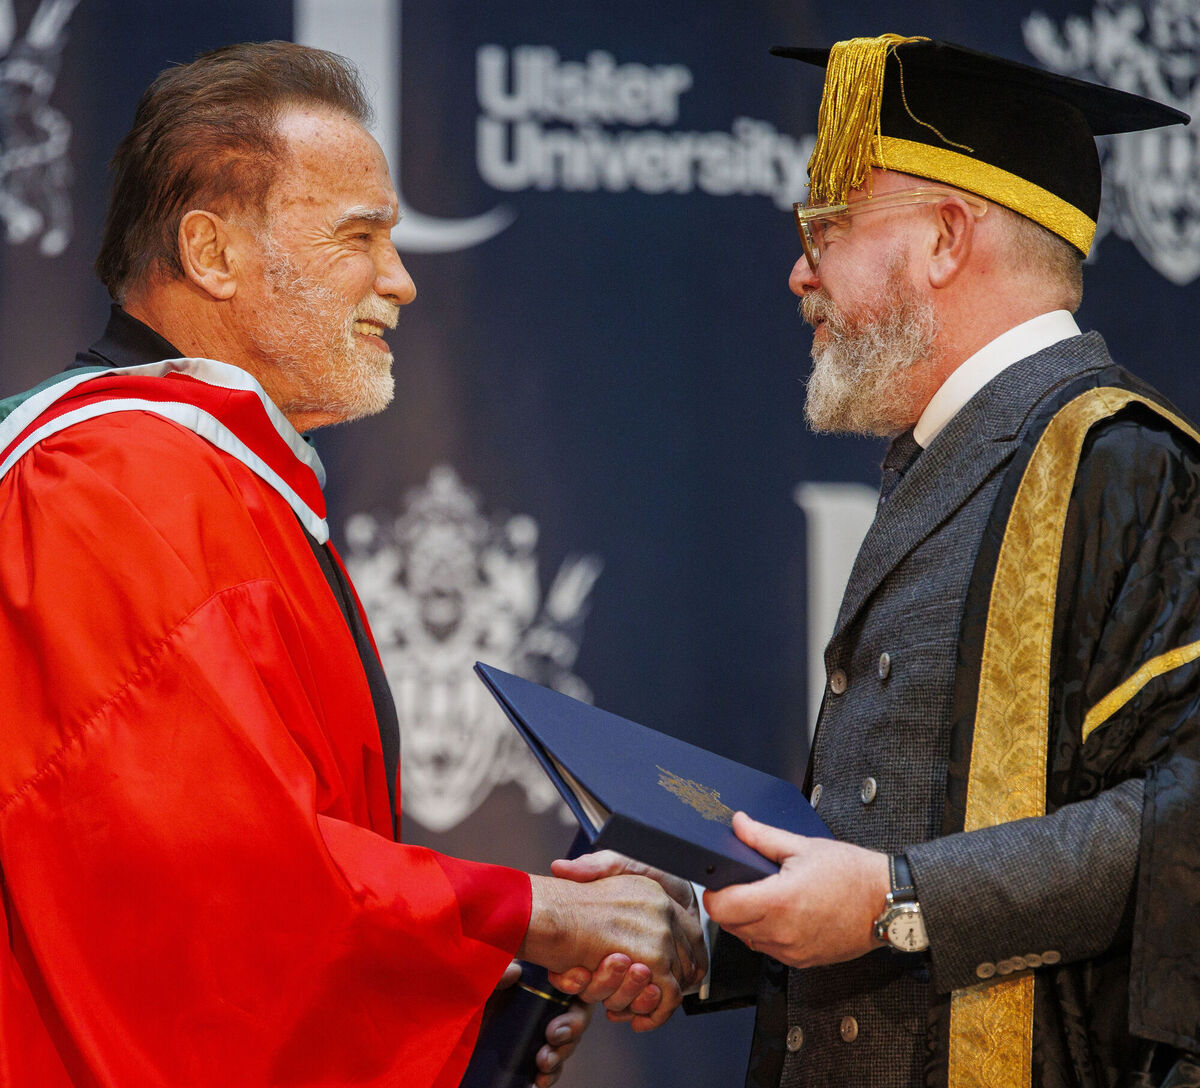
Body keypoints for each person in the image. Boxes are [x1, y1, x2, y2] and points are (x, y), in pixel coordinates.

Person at [0, 41, 705, 1087]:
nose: (402, 279)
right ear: (212, 251)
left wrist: (475, 1010)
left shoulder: (191, 470)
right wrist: (547, 912)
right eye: (359, 236)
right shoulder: (111, 482)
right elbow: (218, 897)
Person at [557, 33, 1200, 1088]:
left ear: (948, 236)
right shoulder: (956, 453)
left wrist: (900, 898)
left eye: (828, 226)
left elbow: (1180, 827)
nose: (799, 269)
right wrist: (706, 921)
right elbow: (885, 826)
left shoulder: (1126, 465)